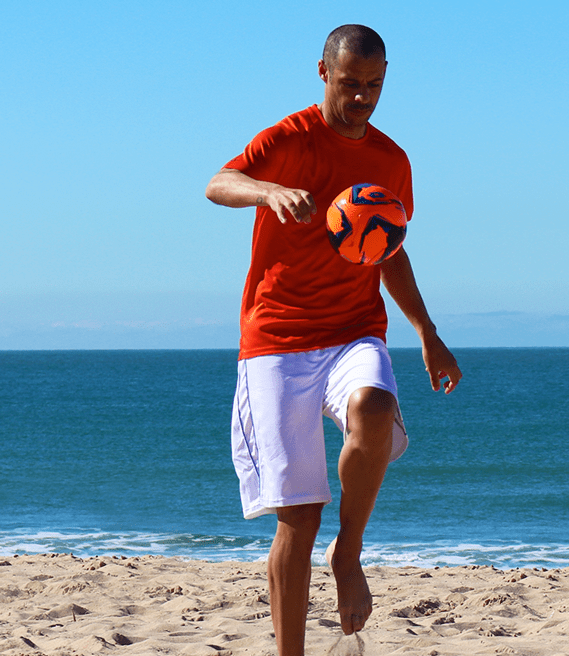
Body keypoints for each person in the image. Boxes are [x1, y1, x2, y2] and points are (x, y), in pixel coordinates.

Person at [205, 24, 462, 656]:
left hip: (354, 330)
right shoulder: (288, 139)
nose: (362, 98)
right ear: (324, 73)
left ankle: (348, 554)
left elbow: (387, 249)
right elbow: (218, 183)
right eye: (351, 84)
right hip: (275, 339)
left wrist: (427, 332)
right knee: (298, 518)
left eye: (374, 85)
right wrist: (268, 190)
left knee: (375, 407)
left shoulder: (391, 160)